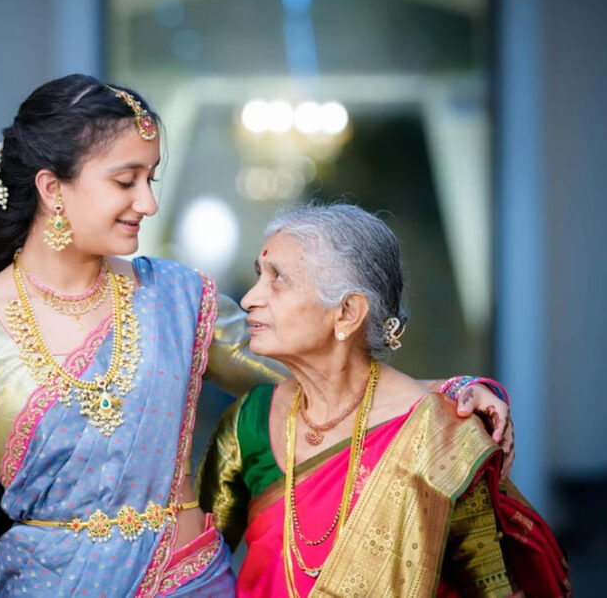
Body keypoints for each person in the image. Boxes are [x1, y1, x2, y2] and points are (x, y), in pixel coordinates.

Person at [0, 75, 514, 597]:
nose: (147, 202)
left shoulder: (177, 298)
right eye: (126, 181)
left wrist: (444, 391)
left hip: (187, 580)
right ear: (51, 189)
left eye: (152, 178)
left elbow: (325, 374)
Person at [197, 204, 569, 597]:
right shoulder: (249, 422)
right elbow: (199, 565)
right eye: (259, 275)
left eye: (278, 279)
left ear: (346, 312)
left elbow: (493, 585)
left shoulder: (440, 434)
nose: (251, 298)